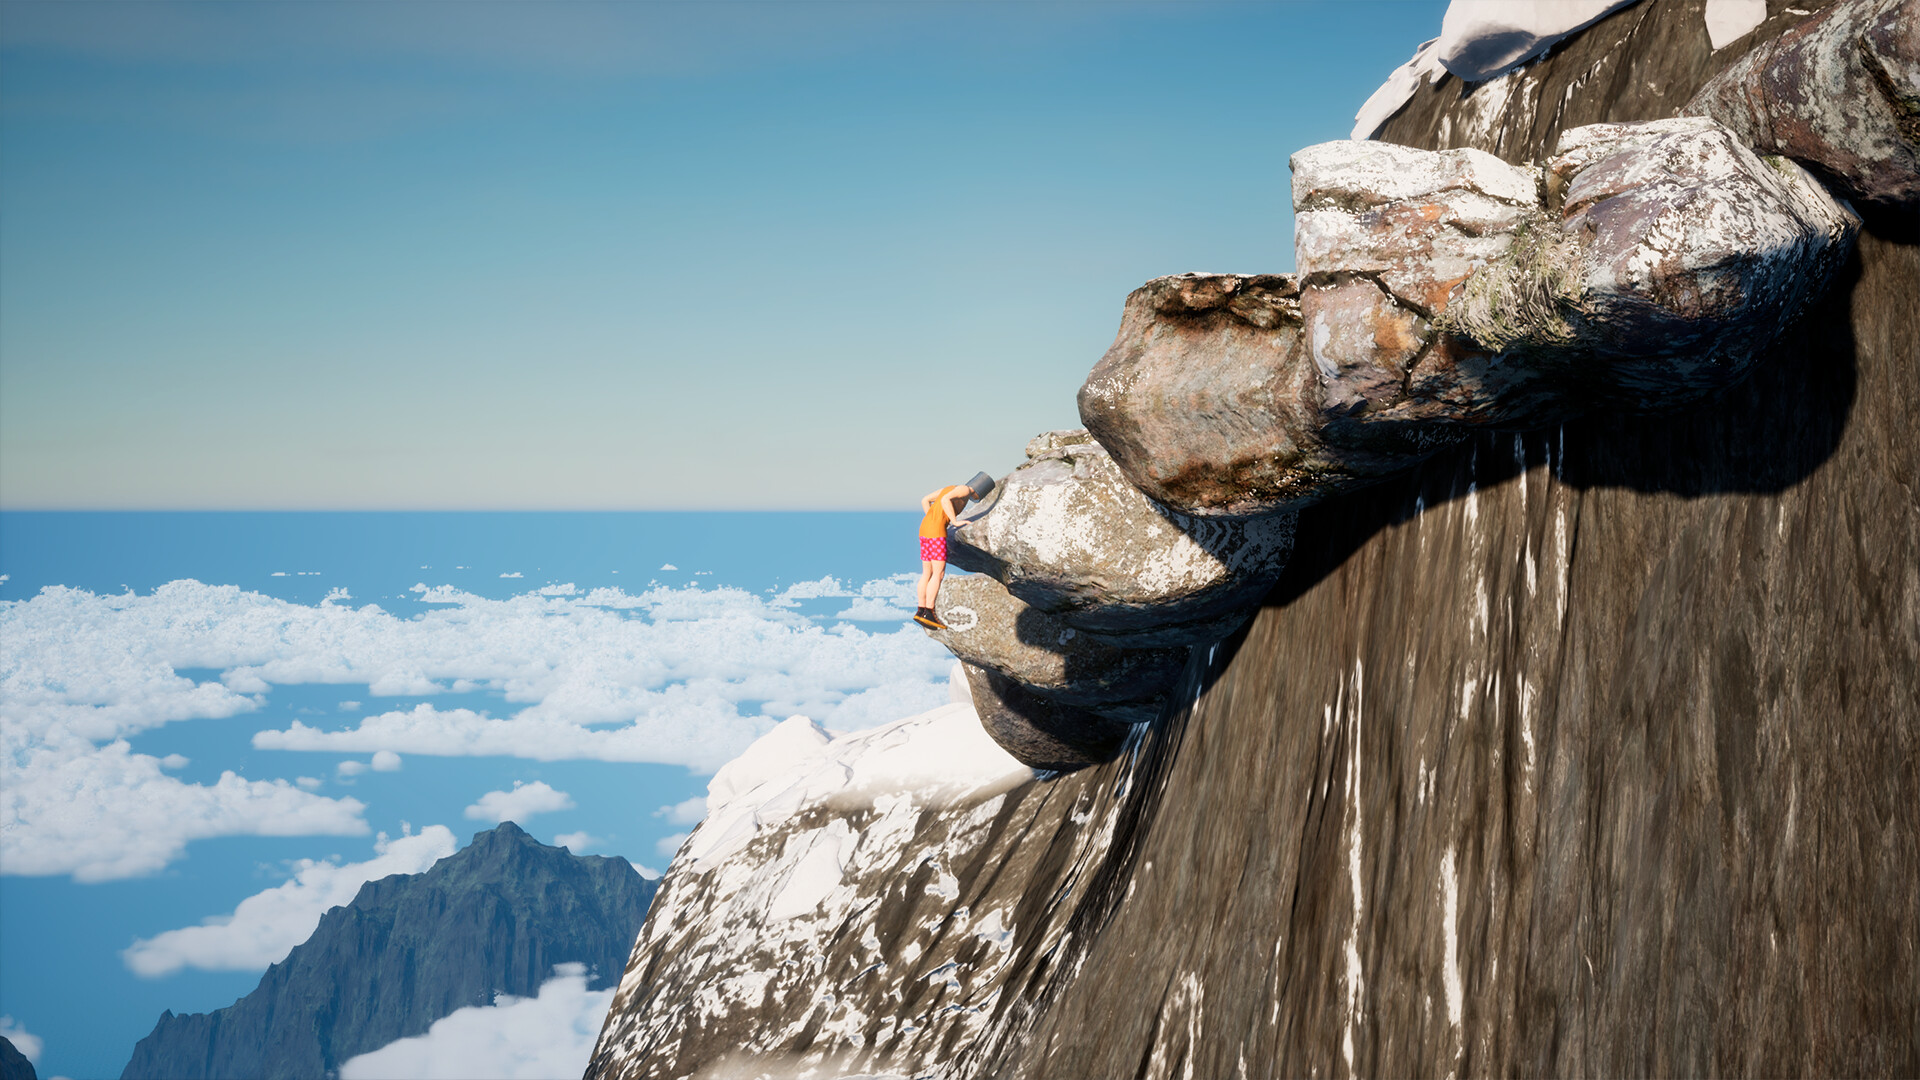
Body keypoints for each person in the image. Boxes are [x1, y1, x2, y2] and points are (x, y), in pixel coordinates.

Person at [914, 471, 994, 629]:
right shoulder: (964, 490)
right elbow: (945, 500)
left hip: (924, 529)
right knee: (938, 573)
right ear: (978, 488)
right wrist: (954, 521)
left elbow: (925, 500)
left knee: (927, 573)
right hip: (936, 533)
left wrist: (933, 519)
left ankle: (921, 610)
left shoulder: (949, 487)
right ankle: (929, 612)